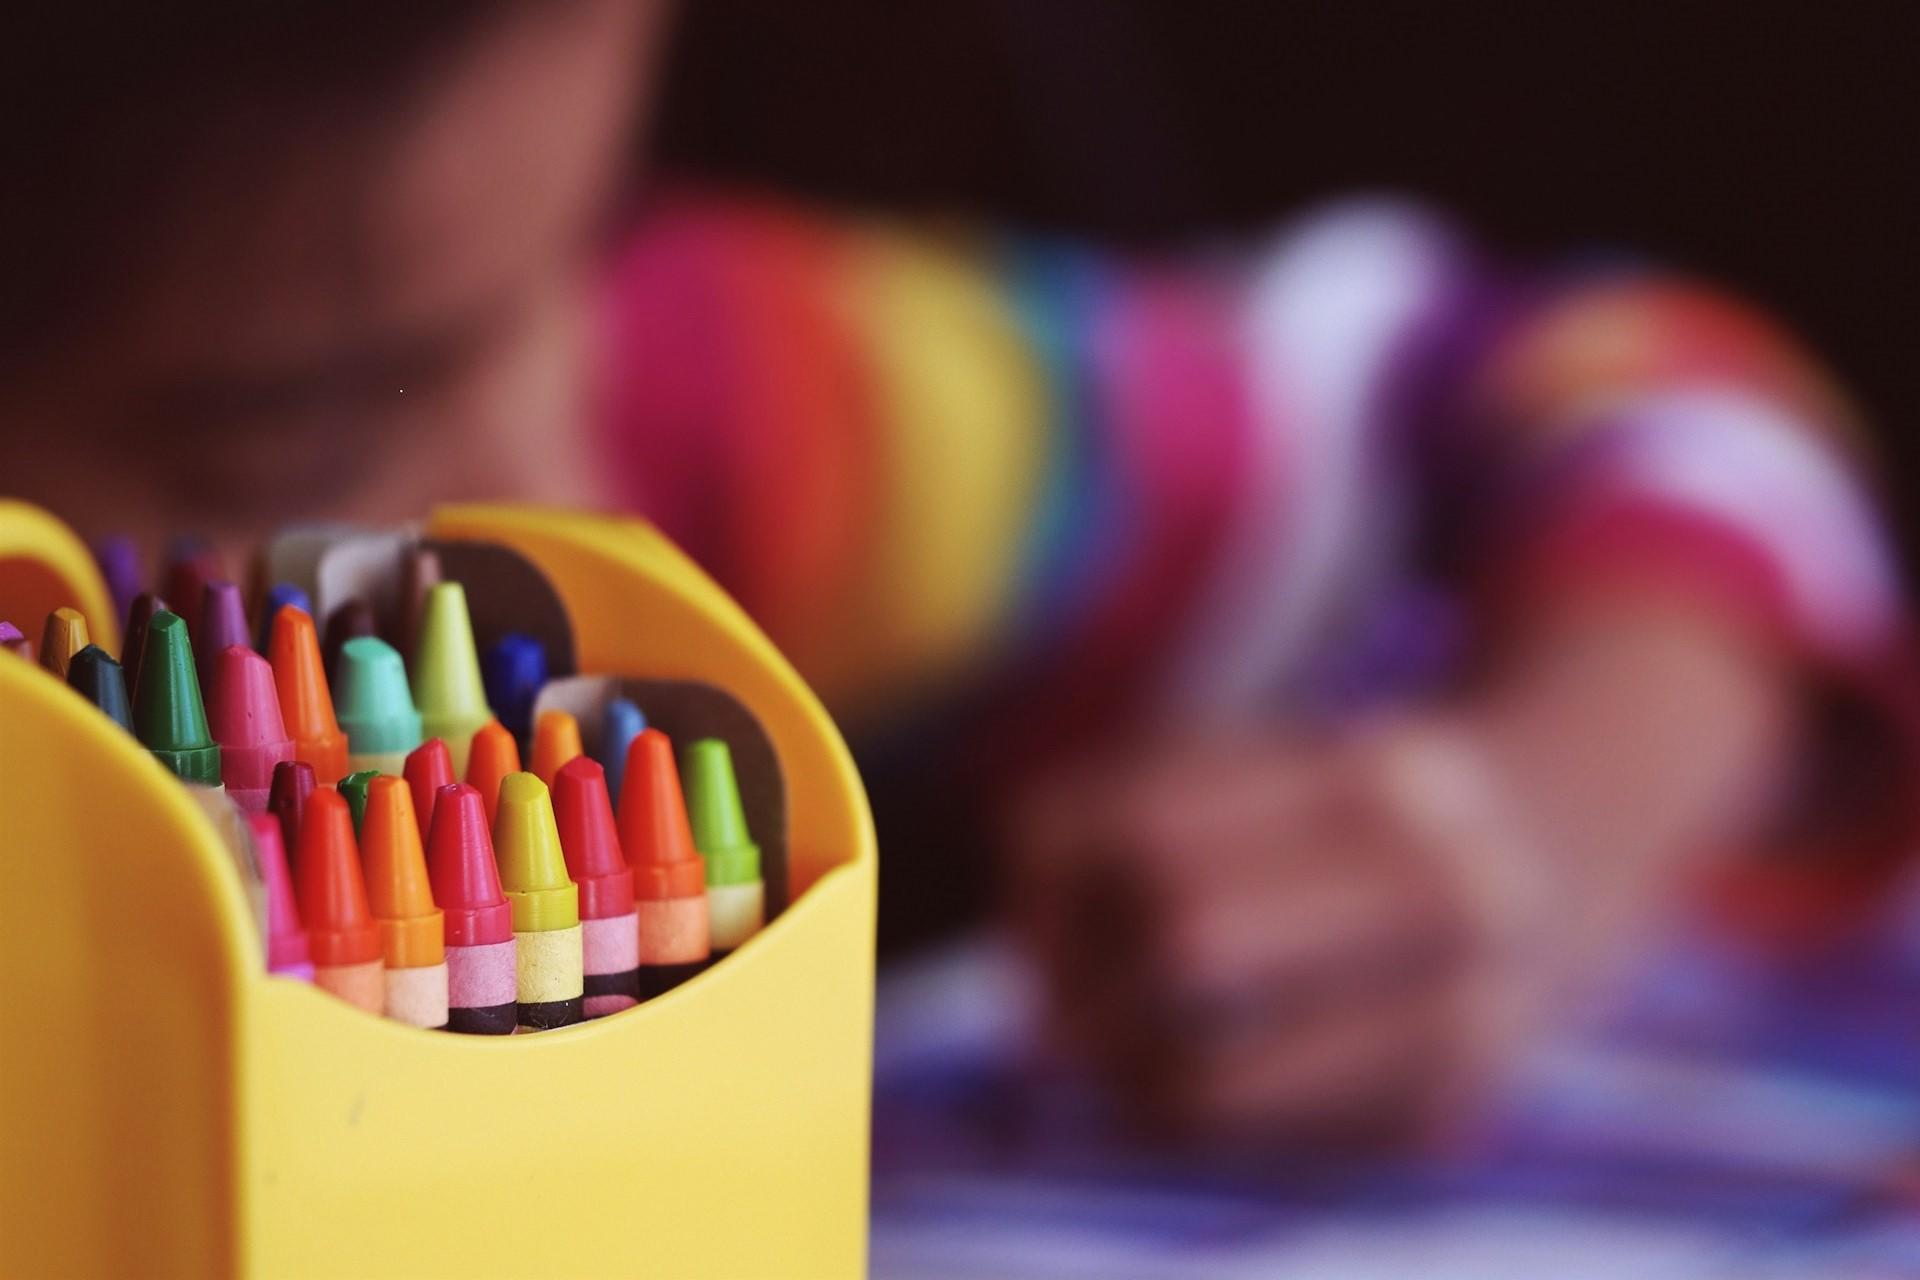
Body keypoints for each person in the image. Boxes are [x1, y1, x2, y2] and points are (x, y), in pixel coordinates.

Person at [2, 2, 1910, 1148]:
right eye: (282, 439)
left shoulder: (718, 407)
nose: (562, 498)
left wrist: (1546, 815)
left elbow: (1591, 389)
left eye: (593, 227)